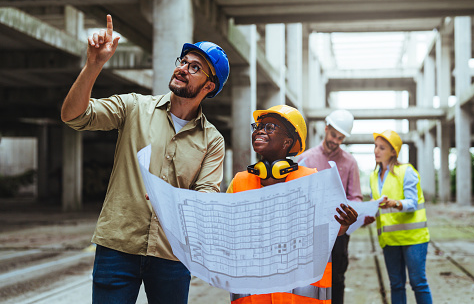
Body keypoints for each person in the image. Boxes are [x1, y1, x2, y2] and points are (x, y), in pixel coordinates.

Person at [61, 15, 230, 304]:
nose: (182, 69)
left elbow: (206, 196)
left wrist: (175, 202)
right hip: (117, 247)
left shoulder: (212, 140)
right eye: (182, 61)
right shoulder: (134, 107)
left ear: (209, 86)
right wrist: (94, 64)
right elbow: (74, 116)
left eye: (195, 67)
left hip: (171, 255)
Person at [227, 105, 358, 304]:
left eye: (270, 127)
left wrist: (345, 222)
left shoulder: (311, 179)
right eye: (258, 126)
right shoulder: (239, 182)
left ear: (288, 141)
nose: (260, 131)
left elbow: (331, 229)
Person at [297, 109, 362, 304]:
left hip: (338, 232)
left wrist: (354, 209)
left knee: (337, 278)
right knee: (310, 280)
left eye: (341, 137)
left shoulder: (350, 162)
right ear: (326, 128)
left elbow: (356, 196)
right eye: (334, 135)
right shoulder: (304, 160)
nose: (336, 140)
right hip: (310, 231)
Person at [369, 130, 432, 304]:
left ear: (393, 152)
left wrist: (395, 203)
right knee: (396, 285)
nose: (376, 151)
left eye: (382, 148)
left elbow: (412, 203)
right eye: (375, 146)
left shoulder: (406, 171)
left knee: (418, 283)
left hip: (413, 239)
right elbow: (377, 208)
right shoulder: (373, 177)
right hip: (389, 240)